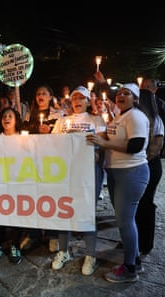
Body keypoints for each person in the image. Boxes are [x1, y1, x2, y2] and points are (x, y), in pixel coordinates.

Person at [87, 83, 150, 283]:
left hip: (131, 172)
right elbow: (109, 134)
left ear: (136, 98)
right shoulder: (120, 116)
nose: (121, 95)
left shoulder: (135, 117)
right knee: (124, 220)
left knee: (125, 221)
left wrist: (104, 143)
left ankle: (130, 268)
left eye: (127, 93)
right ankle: (135, 259)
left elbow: (136, 145)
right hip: (116, 173)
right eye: (120, 93)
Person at [51, 86, 107, 275]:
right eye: (74, 97)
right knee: (64, 209)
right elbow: (52, 144)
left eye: (81, 98)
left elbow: (101, 141)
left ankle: (90, 254)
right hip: (66, 171)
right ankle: (63, 250)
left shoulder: (96, 119)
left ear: (86, 101)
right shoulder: (62, 121)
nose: (77, 100)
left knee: (86, 211)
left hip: (89, 171)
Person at [21, 84, 65, 251]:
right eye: (38, 93)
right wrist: (34, 129)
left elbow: (63, 136)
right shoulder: (28, 115)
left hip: (51, 162)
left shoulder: (59, 115)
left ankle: (53, 235)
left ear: (50, 96)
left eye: (44, 93)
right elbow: (23, 132)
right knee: (32, 197)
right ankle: (33, 234)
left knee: (51, 197)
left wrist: (51, 130)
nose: (40, 96)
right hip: (31, 161)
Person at [0, 107, 24, 264]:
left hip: (17, 182)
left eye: (10, 116)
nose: (6, 119)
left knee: (16, 214)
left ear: (16, 120)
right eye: (4, 116)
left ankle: (15, 245)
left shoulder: (23, 138)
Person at [135, 89, 165, 257]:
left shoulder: (156, 120)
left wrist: (139, 161)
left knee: (146, 204)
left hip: (150, 166)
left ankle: (146, 243)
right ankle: (135, 238)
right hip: (139, 165)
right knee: (137, 205)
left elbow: (155, 147)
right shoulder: (135, 119)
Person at [141, 78, 165, 158]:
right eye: (143, 87)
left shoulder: (160, 104)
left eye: (148, 87)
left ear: (155, 89)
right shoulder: (136, 103)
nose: (145, 90)